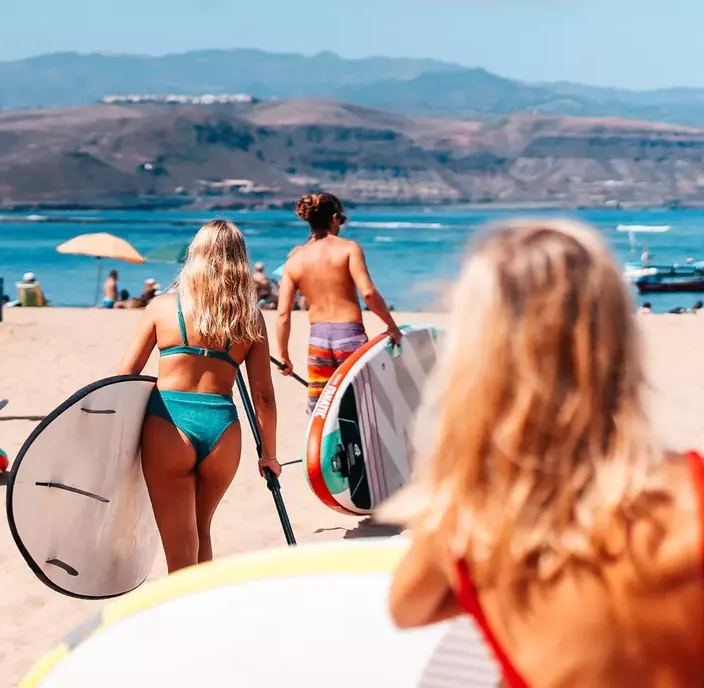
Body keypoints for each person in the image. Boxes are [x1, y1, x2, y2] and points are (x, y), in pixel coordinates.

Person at [378, 219, 704, 687]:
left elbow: (406, 610)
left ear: (476, 357)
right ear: (616, 341)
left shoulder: (467, 522)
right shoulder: (692, 495)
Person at [118, 219, 281, 574]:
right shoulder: (249, 316)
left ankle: (183, 623)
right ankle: (202, 613)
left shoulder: (162, 307)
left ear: (195, 255)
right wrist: (269, 454)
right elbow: (263, 397)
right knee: (201, 532)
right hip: (223, 430)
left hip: (169, 425)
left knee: (179, 548)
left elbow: (124, 377)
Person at [275, 193, 402, 414]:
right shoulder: (349, 249)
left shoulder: (294, 259)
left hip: (318, 341)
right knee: (360, 407)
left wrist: (284, 355)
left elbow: (283, 314)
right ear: (334, 218)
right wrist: (391, 326)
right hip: (349, 337)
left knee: (323, 411)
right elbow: (369, 294)